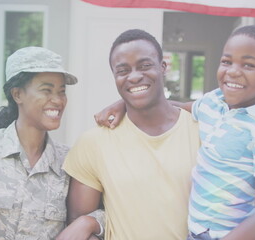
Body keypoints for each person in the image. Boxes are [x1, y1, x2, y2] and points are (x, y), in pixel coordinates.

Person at [96, 25, 255, 240]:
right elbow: (172, 105)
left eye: (248, 65)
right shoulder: (214, 103)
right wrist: (125, 103)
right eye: (227, 62)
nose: (233, 71)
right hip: (196, 233)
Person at [63, 29, 201, 240]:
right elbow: (79, 224)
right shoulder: (93, 143)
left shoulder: (203, 131)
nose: (135, 76)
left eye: (145, 66)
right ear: (115, 77)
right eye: (123, 70)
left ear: (163, 67)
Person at [0, 46, 104, 240]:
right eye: (46, 90)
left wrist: (89, 222)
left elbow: (111, 214)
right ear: (17, 94)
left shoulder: (70, 162)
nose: (58, 100)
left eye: (61, 91)